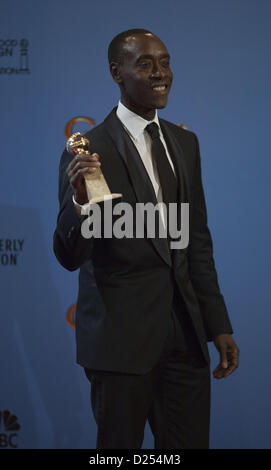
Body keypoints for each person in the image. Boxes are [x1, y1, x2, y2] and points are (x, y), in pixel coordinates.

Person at [53, 29, 239, 449]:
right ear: (117, 72)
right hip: (121, 344)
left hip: (185, 337)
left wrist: (217, 325)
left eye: (166, 62)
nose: (161, 74)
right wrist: (81, 206)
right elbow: (69, 254)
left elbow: (196, 243)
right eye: (146, 64)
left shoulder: (185, 143)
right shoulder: (88, 149)